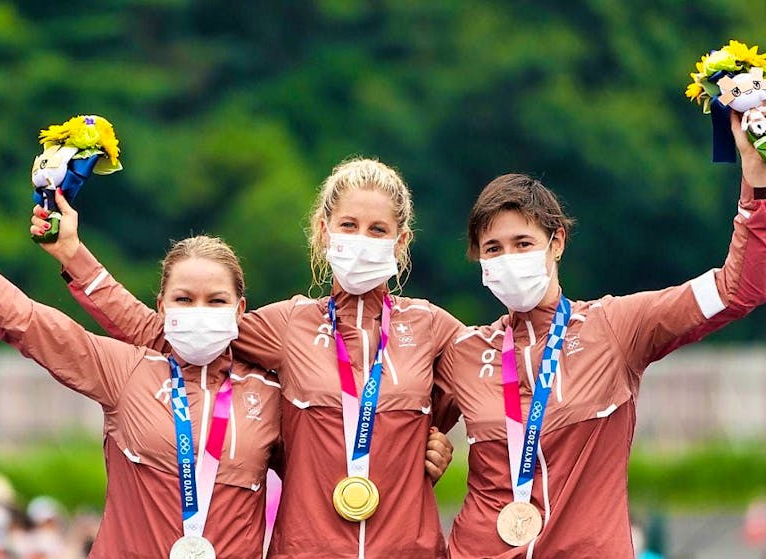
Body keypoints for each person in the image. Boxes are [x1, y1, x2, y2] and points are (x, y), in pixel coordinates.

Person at [31, 159, 463, 557]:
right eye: (348, 225)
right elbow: (167, 330)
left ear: (401, 240)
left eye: (377, 230)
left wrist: (428, 439)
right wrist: (74, 256)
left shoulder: (433, 327)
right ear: (323, 230)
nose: (361, 241)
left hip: (409, 549)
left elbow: (502, 381)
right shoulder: (289, 324)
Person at [434, 104, 766, 557]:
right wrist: (431, 450)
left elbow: (739, 288)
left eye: (523, 244)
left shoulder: (615, 327)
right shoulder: (462, 350)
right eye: (492, 250)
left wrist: (757, 182)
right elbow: (389, 433)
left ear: (556, 242)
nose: (507, 260)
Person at [0, 182, 284, 558]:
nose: (199, 312)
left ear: (240, 310)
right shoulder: (127, 372)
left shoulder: (269, 396)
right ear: (161, 306)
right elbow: (23, 318)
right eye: (183, 299)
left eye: (215, 301)